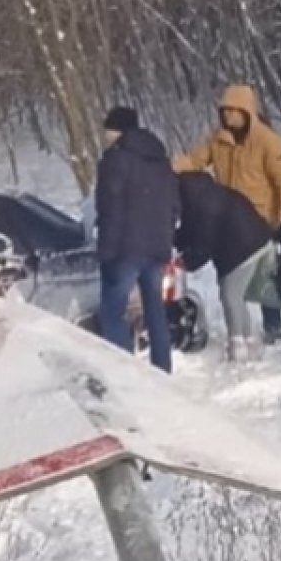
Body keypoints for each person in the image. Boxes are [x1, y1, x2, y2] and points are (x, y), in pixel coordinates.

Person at [173, 84, 281, 344]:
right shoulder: (219, 139)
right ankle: (240, 329)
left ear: (247, 112)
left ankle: (273, 330)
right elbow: (195, 160)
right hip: (226, 216)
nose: (229, 117)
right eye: (224, 111)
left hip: (262, 217)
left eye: (234, 111)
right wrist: (168, 167)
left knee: (265, 278)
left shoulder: (268, 142)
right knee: (229, 277)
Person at [95, 106, 179, 373]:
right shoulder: (161, 160)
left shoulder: (115, 160)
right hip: (157, 248)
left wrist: (106, 253)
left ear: (117, 130)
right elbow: (175, 206)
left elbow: (109, 208)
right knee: (155, 312)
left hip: (125, 250)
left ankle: (125, 372)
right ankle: (162, 370)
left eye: (107, 129)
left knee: (112, 313)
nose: (105, 134)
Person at [175, 172, 274, 361]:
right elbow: (190, 230)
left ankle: (237, 346)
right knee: (236, 296)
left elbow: (204, 243)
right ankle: (250, 341)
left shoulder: (205, 207)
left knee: (230, 295)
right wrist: (174, 239)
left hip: (245, 248)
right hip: (257, 240)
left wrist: (186, 262)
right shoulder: (204, 197)